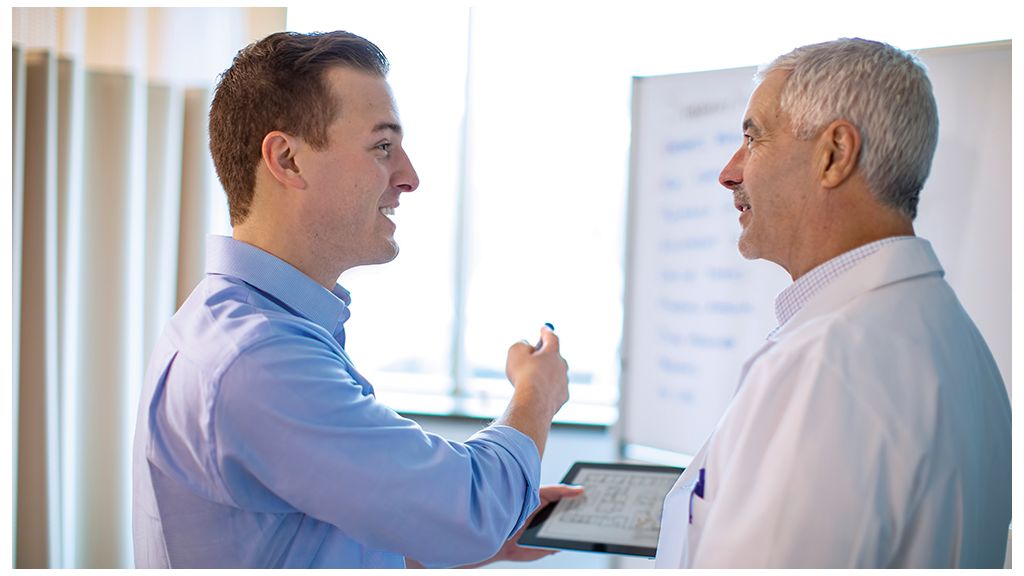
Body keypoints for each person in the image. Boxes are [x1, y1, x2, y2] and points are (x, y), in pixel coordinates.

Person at [132, 30, 579, 569]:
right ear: (288, 160)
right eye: (382, 147)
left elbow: (316, 538)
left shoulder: (241, 326)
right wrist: (537, 393)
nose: (409, 177)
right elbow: (474, 509)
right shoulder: (258, 359)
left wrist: (453, 532)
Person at [654, 38, 1011, 568]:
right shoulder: (951, 336)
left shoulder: (827, 362)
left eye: (753, 139)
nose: (729, 172)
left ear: (834, 155)